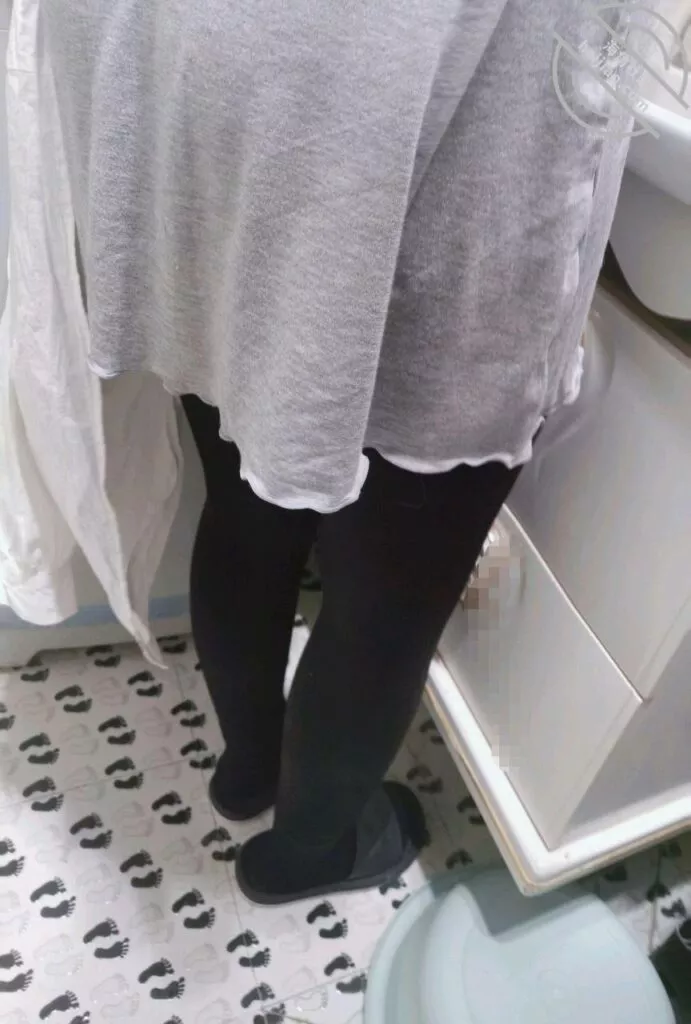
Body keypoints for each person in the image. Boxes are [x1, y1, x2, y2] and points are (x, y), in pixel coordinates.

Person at [43, 0, 634, 903]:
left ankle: (250, 767)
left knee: (245, 508)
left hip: (217, 153)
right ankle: (307, 854)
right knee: (385, 606)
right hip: (451, 189)